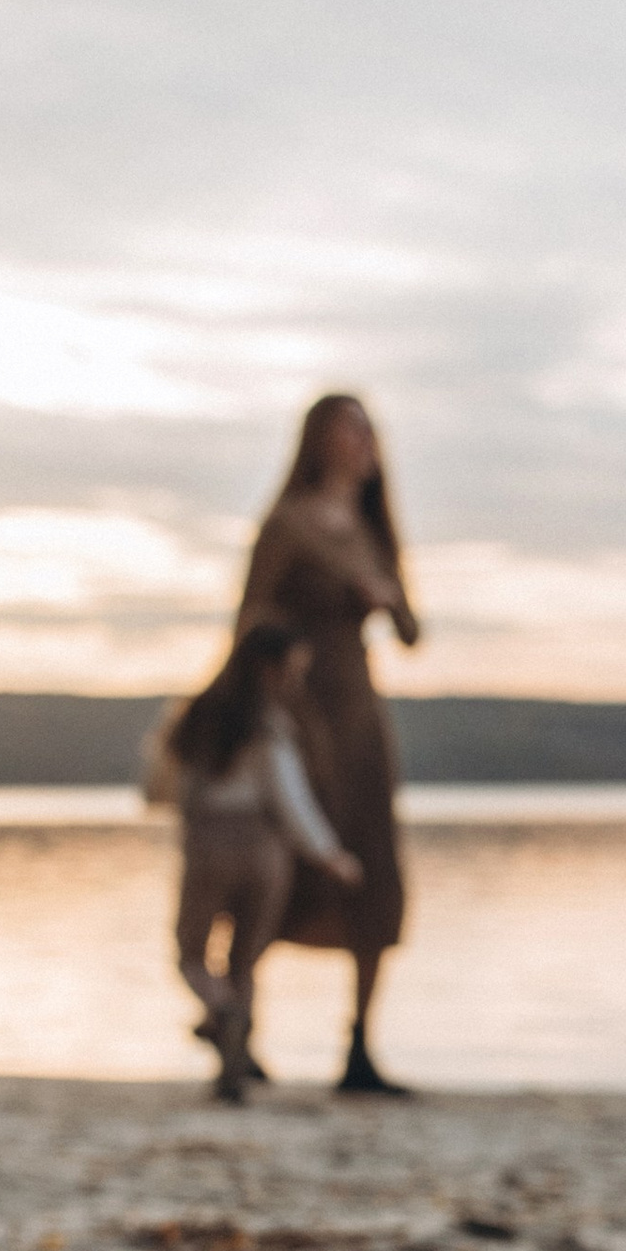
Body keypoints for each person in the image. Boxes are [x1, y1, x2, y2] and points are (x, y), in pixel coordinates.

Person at [232, 391, 421, 1095]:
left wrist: (386, 595)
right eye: (350, 428)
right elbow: (247, 615)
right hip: (301, 709)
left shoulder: (374, 532)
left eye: (369, 429)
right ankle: (241, 1029)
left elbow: (411, 633)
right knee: (286, 860)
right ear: (319, 440)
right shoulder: (286, 524)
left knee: (373, 863)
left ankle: (360, 1047)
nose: (362, 441)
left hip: (361, 714)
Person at [141, 623, 363, 1101]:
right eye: (293, 671)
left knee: (191, 956)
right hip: (263, 848)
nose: (296, 682)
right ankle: (234, 1057)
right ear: (268, 668)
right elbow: (290, 799)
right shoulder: (268, 725)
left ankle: (221, 1015)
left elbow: (157, 790)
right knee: (243, 962)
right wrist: (328, 854)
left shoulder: (192, 719)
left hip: (207, 844)